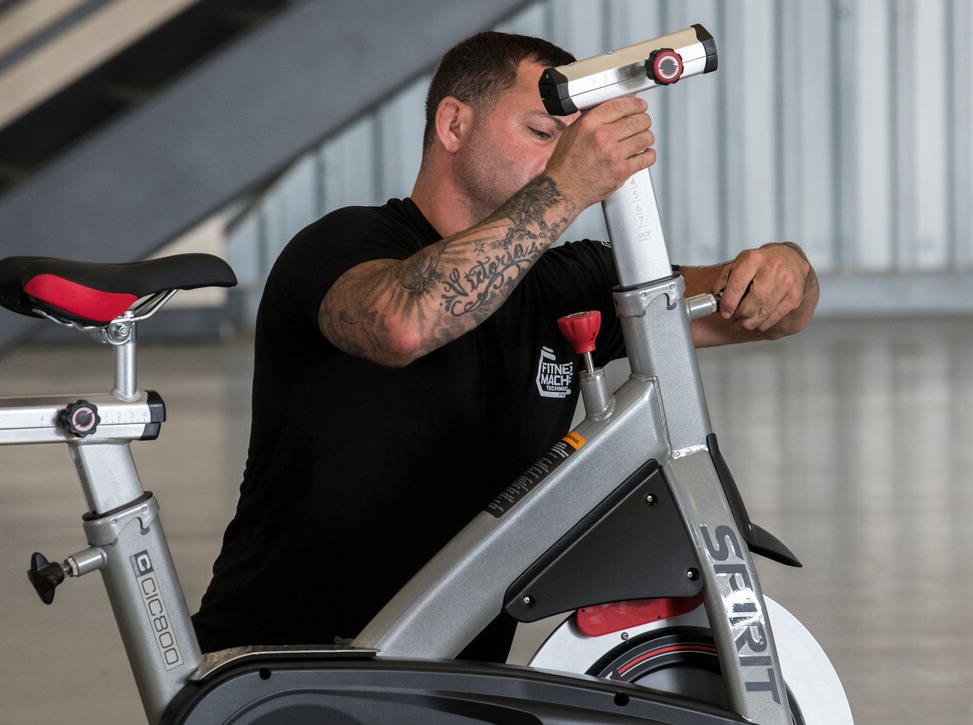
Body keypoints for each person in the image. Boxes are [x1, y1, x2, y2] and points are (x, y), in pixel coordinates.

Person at [192, 31, 818, 660]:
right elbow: (402, 323)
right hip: (272, 670)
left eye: (569, 143)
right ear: (454, 124)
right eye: (544, 134)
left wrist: (786, 268)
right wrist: (569, 185)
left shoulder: (574, 282)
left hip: (451, 685)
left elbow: (763, 314)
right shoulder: (342, 245)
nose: (560, 157)